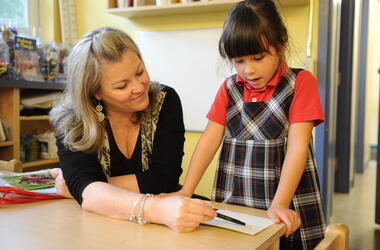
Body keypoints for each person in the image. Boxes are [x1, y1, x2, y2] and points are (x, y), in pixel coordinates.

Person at [173, 0, 326, 248]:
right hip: (236, 201)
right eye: (239, 60)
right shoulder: (229, 88)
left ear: (282, 43)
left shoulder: (300, 83)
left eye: (258, 57)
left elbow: (297, 148)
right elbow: (209, 140)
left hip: (285, 201)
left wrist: (280, 203)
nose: (249, 70)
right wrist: (185, 191)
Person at [49, 27, 216, 233]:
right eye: (122, 86)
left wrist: (93, 189)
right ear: (96, 92)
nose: (139, 87)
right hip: (102, 230)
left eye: (140, 72)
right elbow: (87, 192)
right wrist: (87, 189)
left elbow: (164, 179)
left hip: (163, 223)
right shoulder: (71, 121)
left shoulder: (165, 100)